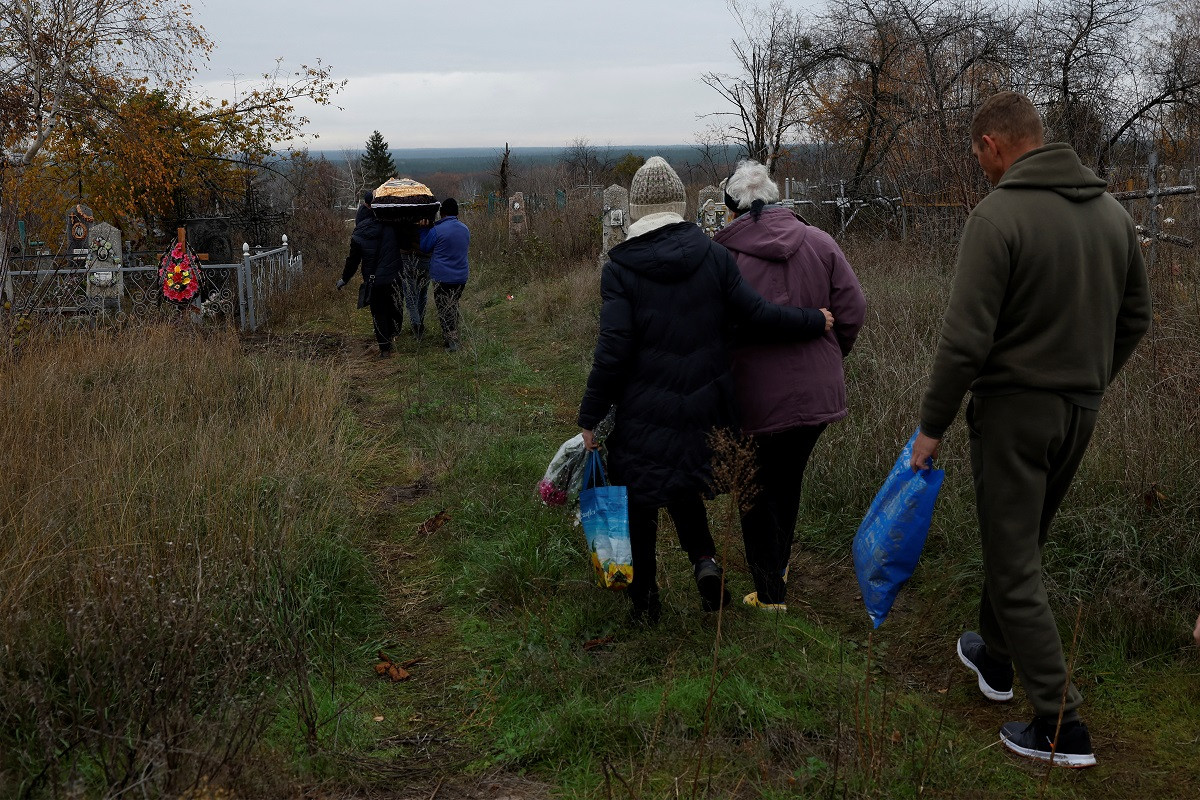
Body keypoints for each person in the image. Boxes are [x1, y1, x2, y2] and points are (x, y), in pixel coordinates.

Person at [910, 92, 1152, 768]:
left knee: (1015, 561)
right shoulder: (1110, 213)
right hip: (1080, 410)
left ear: (992, 143)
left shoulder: (998, 216)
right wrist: (1090, 380)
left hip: (1015, 413)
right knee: (1021, 541)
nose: (978, 165)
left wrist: (931, 427)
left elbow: (963, 344)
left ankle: (1060, 725)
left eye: (977, 153)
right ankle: (995, 655)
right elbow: (1137, 317)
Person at [577, 156, 834, 624]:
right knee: (683, 483)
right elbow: (757, 313)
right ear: (680, 205)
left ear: (636, 210)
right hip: (705, 403)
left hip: (642, 409)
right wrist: (812, 319)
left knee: (639, 496)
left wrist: (590, 417)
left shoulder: (621, 269)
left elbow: (613, 350)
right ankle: (705, 563)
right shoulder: (713, 254)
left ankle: (646, 604)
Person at [714, 160, 866, 613]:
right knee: (786, 480)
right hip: (817, 394)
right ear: (777, 201)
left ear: (730, 209)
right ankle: (776, 569)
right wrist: (830, 354)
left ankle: (770, 596)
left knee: (754, 487)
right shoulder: (820, 243)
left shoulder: (724, 257)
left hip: (754, 396)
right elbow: (853, 307)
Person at [338, 190, 407, 357]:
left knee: (379, 313)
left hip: (373, 279)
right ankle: (392, 335)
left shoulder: (358, 233)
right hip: (394, 277)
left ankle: (384, 348)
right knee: (395, 308)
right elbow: (409, 240)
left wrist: (344, 279)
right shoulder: (394, 227)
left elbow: (353, 260)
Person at [419, 197, 470, 352]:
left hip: (443, 276)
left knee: (444, 308)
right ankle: (452, 335)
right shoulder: (465, 229)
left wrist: (423, 230)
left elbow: (424, 247)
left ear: (442, 213)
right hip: (461, 276)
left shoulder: (436, 230)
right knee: (453, 304)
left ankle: (451, 342)